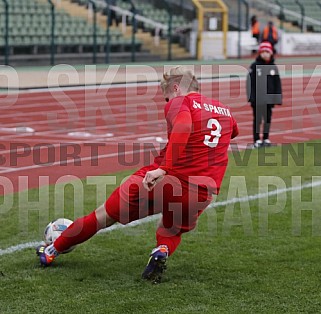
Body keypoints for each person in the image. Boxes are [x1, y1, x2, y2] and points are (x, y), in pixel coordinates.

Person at [36, 66, 239, 283]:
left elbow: (183, 126)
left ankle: (51, 251)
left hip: (166, 180)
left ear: (176, 88)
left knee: (102, 216)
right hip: (202, 192)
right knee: (170, 230)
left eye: (167, 97)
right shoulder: (223, 109)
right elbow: (234, 131)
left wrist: (164, 168)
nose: (167, 102)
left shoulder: (181, 102)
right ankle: (161, 250)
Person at [246, 41, 282, 148]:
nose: (265, 54)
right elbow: (250, 83)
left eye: (267, 51)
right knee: (257, 119)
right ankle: (256, 140)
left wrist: (277, 98)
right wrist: (251, 97)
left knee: (267, 119)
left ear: (271, 53)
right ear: (260, 53)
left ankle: (266, 138)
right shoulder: (254, 66)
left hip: (269, 99)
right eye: (263, 52)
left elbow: (277, 83)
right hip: (257, 99)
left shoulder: (273, 67)